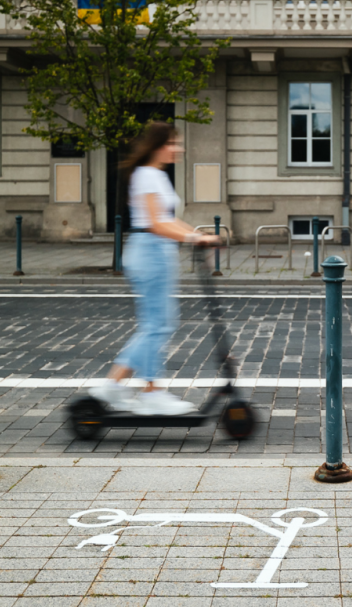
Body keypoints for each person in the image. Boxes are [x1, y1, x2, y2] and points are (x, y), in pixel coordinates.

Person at [89, 121, 219, 415]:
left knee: (157, 325)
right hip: (150, 252)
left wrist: (197, 237)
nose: (179, 148)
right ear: (159, 146)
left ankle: (129, 388)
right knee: (157, 325)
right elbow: (156, 223)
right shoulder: (148, 175)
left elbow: (168, 219)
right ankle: (145, 391)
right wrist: (194, 237)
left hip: (156, 251)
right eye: (174, 143)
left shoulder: (155, 175)